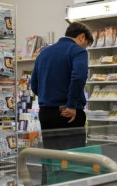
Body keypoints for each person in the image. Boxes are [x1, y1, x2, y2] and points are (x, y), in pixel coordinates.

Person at [31, 22, 93, 151]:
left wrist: (47, 98)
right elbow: (78, 77)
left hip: (46, 113)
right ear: (81, 37)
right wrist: (71, 105)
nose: (85, 48)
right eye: (86, 44)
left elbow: (34, 84)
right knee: (72, 159)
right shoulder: (78, 51)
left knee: (51, 158)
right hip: (69, 114)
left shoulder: (43, 53)